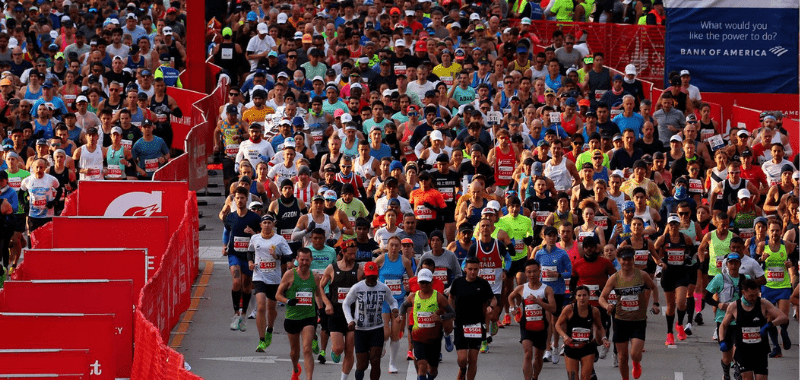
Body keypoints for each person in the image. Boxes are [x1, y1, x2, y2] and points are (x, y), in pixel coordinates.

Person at [599, 246, 660, 380]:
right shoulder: (615, 278)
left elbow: (654, 287)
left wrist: (655, 304)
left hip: (638, 321)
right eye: (623, 260)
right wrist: (607, 305)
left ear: (633, 259)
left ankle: (636, 363)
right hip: (620, 320)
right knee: (622, 356)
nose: (626, 262)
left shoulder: (642, 275)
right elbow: (602, 297)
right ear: (618, 260)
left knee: (634, 354)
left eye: (629, 259)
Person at [276, 248, 333, 380]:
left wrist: (320, 309)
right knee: (294, 352)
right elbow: (277, 295)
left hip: (309, 317)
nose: (304, 262)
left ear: (311, 260)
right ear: (297, 259)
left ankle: (309, 378)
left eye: (307, 260)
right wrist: (288, 301)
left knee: (307, 349)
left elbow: (318, 294)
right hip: (292, 317)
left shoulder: (315, 276)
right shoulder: (289, 275)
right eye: (302, 259)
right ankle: (295, 367)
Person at [719, 278, 788, 380]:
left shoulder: (763, 304)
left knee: (761, 378)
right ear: (743, 293)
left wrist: (769, 325)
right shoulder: (734, 306)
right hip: (743, 349)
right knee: (748, 378)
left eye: (756, 294)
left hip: (760, 349)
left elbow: (783, 317)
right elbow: (723, 325)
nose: (754, 298)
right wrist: (722, 341)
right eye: (751, 295)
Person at [342, 261, 399, 380]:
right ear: (364, 275)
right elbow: (346, 304)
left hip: (376, 329)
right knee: (362, 364)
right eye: (369, 276)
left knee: (375, 360)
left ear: (377, 275)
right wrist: (350, 320)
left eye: (373, 276)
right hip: (360, 330)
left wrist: (394, 309)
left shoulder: (383, 288)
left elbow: (393, 301)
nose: (371, 279)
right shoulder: (357, 287)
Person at [398, 268, 455, 380]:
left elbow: (452, 313)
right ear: (418, 282)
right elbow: (404, 306)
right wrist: (400, 315)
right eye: (421, 282)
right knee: (422, 366)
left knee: (433, 370)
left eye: (426, 282)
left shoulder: (438, 297)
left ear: (432, 282)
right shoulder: (413, 296)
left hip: (434, 338)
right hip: (418, 337)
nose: (424, 285)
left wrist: (441, 318)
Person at [319, 239, 362, 380]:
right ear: (342, 252)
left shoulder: (359, 269)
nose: (353, 256)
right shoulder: (332, 268)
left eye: (355, 253)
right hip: (335, 314)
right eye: (350, 254)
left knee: (350, 350)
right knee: (339, 348)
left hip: (352, 315)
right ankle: (335, 351)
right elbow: (320, 287)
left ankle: (343, 378)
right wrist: (327, 303)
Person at [248, 214, 292, 352]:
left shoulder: (279, 240)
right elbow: (250, 252)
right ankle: (261, 340)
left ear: (273, 224)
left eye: (269, 222)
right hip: (259, 275)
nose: (266, 225)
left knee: (271, 309)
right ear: (261, 225)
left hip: (274, 278)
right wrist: (250, 262)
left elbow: (289, 256)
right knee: (261, 306)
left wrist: (276, 256)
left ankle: (270, 329)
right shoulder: (255, 238)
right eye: (264, 222)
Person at [221, 187, 262, 332]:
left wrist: (253, 234)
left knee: (246, 286)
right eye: (237, 198)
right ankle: (235, 314)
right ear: (234, 199)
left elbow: (262, 235)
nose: (240, 200)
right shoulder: (230, 217)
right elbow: (226, 232)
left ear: (246, 199)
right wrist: (225, 245)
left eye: (242, 198)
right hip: (234, 254)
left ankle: (243, 315)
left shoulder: (254, 218)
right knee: (236, 281)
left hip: (249, 257)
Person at [508, 259, 557, 380]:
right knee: (528, 354)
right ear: (525, 272)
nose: (532, 274)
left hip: (541, 326)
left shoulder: (546, 289)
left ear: (539, 271)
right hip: (526, 325)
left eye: (534, 271)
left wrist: (538, 302)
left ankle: (535, 376)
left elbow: (553, 308)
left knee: (538, 357)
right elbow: (510, 297)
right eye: (529, 272)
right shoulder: (522, 288)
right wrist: (513, 308)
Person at [449, 256, 496, 380]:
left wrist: (491, 307)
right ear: (465, 269)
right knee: (463, 359)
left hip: (476, 324)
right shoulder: (458, 283)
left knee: (473, 359)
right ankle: (462, 369)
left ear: (479, 269)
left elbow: (493, 299)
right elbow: (451, 297)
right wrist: (451, 313)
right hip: (460, 323)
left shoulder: (483, 284)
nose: (473, 272)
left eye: (475, 269)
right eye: (470, 269)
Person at [756, 219, 796, 358]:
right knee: (769, 319)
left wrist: (790, 263)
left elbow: (794, 260)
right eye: (772, 230)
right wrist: (761, 259)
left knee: (783, 317)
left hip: (783, 286)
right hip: (768, 286)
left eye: (777, 230)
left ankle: (784, 332)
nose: (775, 233)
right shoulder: (762, 245)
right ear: (768, 231)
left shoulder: (788, 246)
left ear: (781, 231)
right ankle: (776, 348)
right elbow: (756, 263)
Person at [375, 235, 414, 373]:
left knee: (395, 333)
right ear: (388, 246)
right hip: (384, 301)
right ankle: (383, 344)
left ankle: (392, 364)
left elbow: (412, 279)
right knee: (386, 333)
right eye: (391, 245)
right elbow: (371, 274)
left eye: (397, 245)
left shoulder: (405, 261)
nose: (394, 248)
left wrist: (411, 292)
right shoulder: (381, 259)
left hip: (398, 301)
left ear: (400, 247)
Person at [533, 225, 572, 363]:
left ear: (557, 237)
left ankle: (555, 346)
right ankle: (547, 349)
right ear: (544, 237)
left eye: (554, 235)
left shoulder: (562, 254)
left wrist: (558, 274)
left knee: (556, 321)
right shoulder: (539, 253)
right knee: (547, 320)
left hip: (558, 291)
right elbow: (534, 270)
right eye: (549, 235)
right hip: (545, 291)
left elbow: (570, 272)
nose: (551, 238)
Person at [654, 215, 694, 345]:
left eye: (676, 224)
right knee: (671, 306)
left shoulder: (684, 238)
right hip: (668, 273)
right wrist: (659, 262)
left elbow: (692, 248)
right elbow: (653, 251)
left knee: (682, 302)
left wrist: (688, 257)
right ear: (668, 225)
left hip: (681, 273)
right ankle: (669, 333)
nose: (673, 227)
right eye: (671, 224)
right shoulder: (663, 239)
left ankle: (680, 324)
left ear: (679, 226)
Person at [555, 285, 609, 380]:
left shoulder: (594, 311)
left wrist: (604, 338)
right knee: (572, 377)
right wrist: (564, 336)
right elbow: (557, 325)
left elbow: (600, 327)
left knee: (585, 378)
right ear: (575, 297)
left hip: (587, 347)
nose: (582, 298)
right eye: (579, 295)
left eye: (584, 295)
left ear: (589, 296)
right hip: (571, 347)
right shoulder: (569, 309)